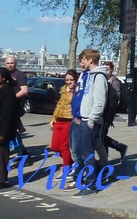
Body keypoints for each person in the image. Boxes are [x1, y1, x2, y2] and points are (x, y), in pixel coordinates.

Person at [71, 49, 109, 196]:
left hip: (90, 120)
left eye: (84, 60)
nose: (82, 62)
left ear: (90, 60)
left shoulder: (98, 77)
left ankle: (91, 184)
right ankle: (93, 177)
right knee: (83, 152)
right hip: (84, 118)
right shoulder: (90, 75)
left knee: (88, 154)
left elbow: (99, 101)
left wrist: (92, 120)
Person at [50, 69, 78, 189]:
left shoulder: (77, 91)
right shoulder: (63, 89)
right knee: (54, 147)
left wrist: (74, 90)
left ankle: (66, 169)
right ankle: (71, 163)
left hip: (68, 120)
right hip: (59, 120)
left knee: (64, 147)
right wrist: (53, 118)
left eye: (71, 80)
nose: (69, 82)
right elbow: (59, 105)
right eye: (67, 80)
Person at [100, 61, 128, 165]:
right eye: (105, 69)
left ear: (112, 70)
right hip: (105, 113)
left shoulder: (114, 82)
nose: (106, 71)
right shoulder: (105, 80)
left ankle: (107, 157)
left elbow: (116, 99)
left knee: (101, 136)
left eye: (108, 69)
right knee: (101, 136)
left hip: (108, 114)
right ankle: (118, 148)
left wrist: (110, 115)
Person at [4, 55, 29, 156]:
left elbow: (24, 90)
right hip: (4, 105)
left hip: (15, 105)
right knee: (10, 129)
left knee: (12, 129)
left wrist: (12, 98)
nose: (10, 65)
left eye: (12, 63)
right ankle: (20, 150)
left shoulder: (20, 75)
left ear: (16, 63)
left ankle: (20, 150)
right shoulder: (3, 74)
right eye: (8, 63)